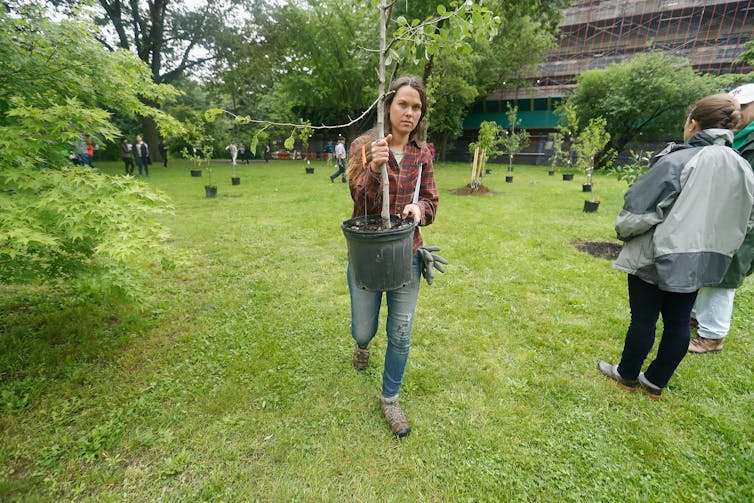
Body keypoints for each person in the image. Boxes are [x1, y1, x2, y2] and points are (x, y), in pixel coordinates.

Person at [599, 93, 754, 400]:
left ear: (693, 123)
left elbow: (638, 211)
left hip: (658, 257)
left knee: (643, 319)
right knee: (679, 321)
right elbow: (746, 220)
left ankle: (627, 374)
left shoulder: (679, 159)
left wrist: (624, 231)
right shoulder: (743, 168)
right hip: (705, 261)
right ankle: (655, 382)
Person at [345, 76, 439, 436]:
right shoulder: (364, 146)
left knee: (401, 333)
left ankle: (390, 398)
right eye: (403, 104)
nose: (409, 113)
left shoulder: (422, 153)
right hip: (367, 256)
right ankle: (362, 345)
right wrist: (373, 168)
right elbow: (358, 203)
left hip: (407, 256)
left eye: (416, 107)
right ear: (388, 105)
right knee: (363, 327)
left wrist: (419, 209)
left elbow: (431, 201)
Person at [689, 84, 754, 353]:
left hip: (742, 219)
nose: (738, 113)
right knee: (708, 264)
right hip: (721, 213)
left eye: (744, 108)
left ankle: (712, 335)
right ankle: (698, 317)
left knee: (725, 273)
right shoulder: (741, 135)